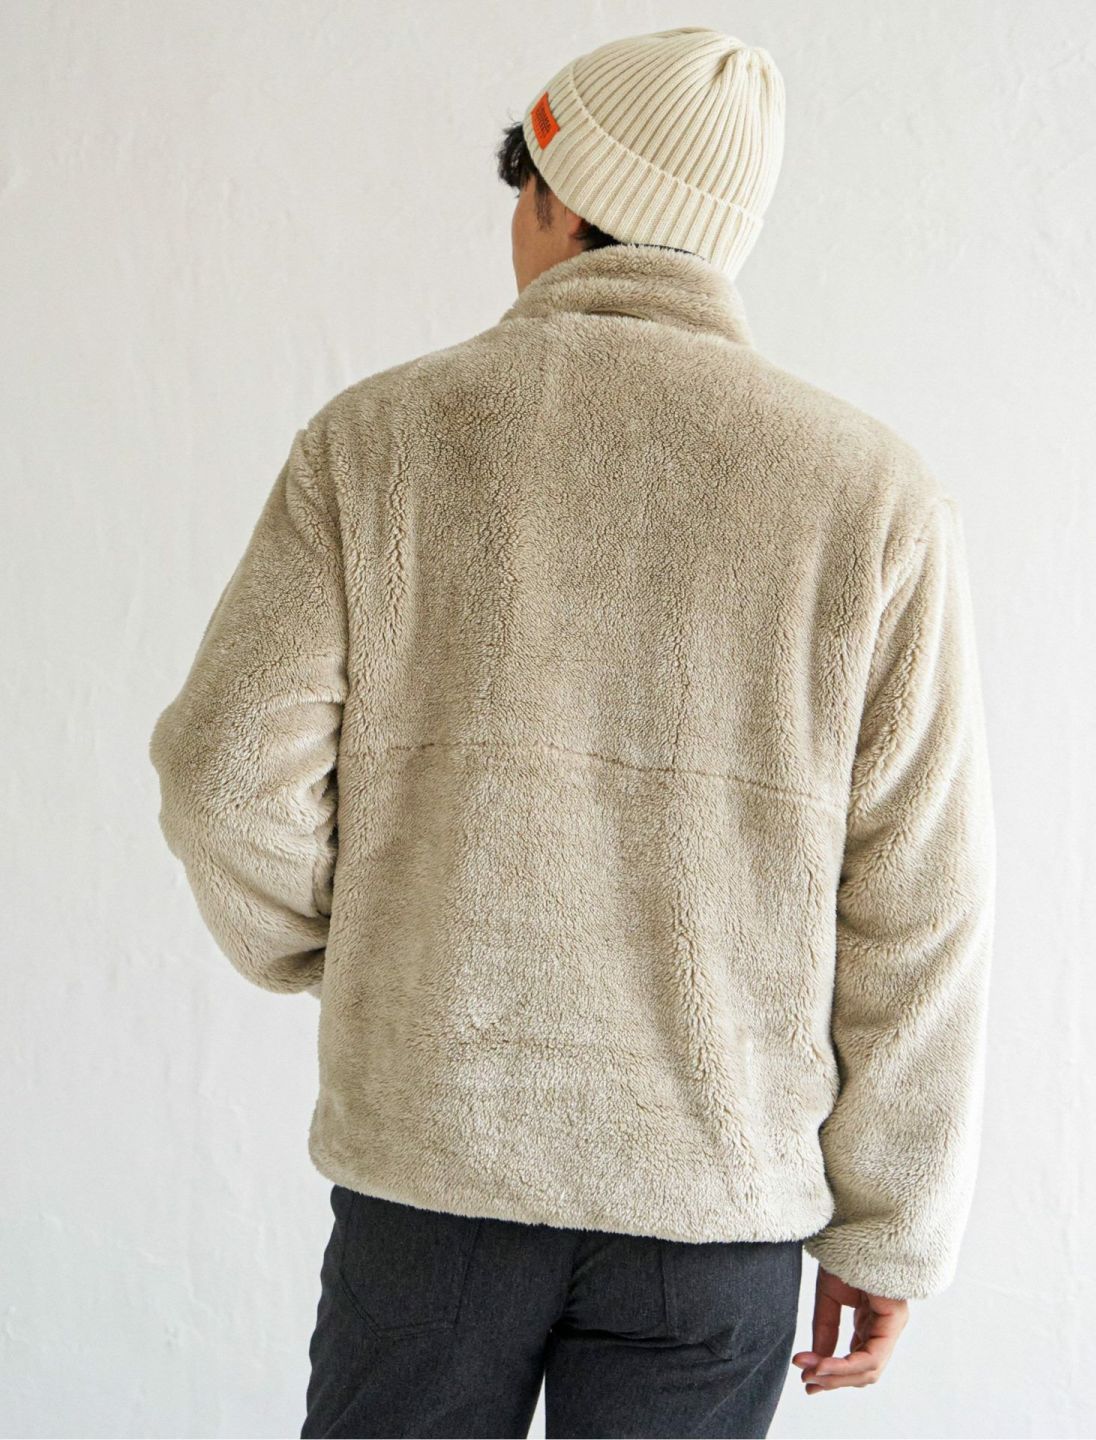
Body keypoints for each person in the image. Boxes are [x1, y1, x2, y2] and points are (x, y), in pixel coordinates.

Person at [148, 25, 996, 1440]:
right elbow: (922, 903)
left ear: (555, 194)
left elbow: (225, 775)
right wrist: (890, 1224)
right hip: (711, 1209)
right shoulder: (873, 498)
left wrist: (343, 948)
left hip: (434, 1169)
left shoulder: (380, 441)